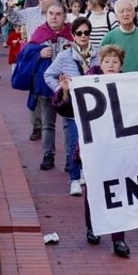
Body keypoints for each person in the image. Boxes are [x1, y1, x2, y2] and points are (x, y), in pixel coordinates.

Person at [79, 45, 132, 258]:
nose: (111, 65)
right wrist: (65, 89)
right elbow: (64, 107)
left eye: (115, 62)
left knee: (118, 189)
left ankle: (118, 239)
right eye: (107, 61)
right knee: (93, 186)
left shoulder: (129, 83)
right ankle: (93, 225)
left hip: (119, 145)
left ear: (121, 66)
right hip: (95, 146)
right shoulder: (88, 82)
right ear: (100, 63)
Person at [45, 17, 97, 196]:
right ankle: (74, 179)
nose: (83, 36)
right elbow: (48, 75)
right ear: (73, 35)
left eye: (86, 33)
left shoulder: (97, 55)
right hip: (73, 108)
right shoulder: (64, 56)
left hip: (93, 109)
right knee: (75, 142)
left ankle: (84, 171)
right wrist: (60, 89)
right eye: (79, 33)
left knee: (90, 143)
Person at [17, 3, 72, 170]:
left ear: (64, 16)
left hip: (68, 87)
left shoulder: (72, 34)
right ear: (46, 16)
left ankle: (71, 157)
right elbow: (25, 54)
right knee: (48, 124)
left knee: (69, 123)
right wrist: (38, 53)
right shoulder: (40, 33)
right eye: (51, 14)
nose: (54, 17)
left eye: (58, 14)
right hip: (45, 86)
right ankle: (49, 155)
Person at [98, 0, 138, 73]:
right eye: (121, 11)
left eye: (129, 10)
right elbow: (100, 61)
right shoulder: (109, 38)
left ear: (135, 13)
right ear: (116, 16)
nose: (125, 14)